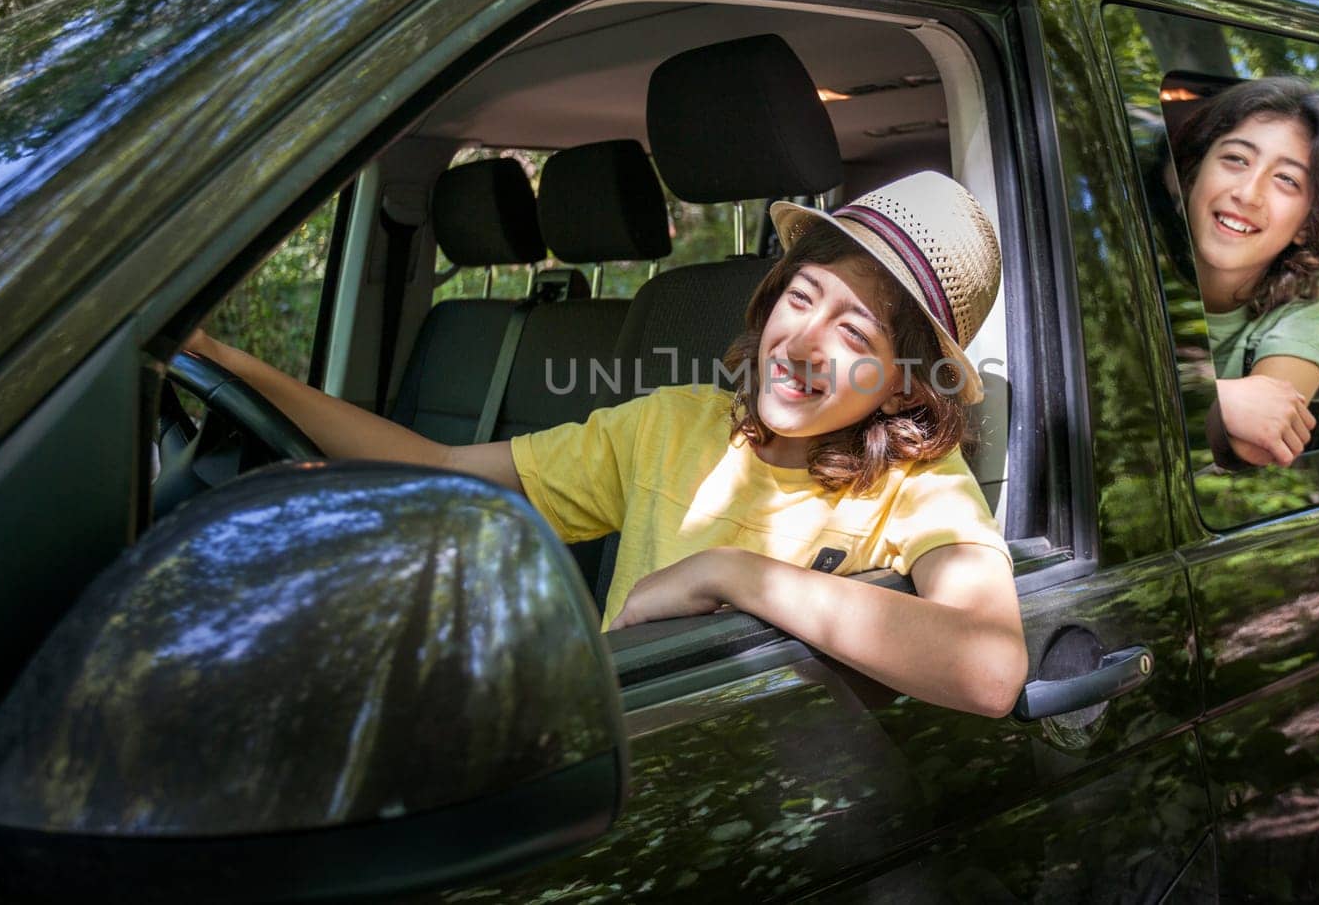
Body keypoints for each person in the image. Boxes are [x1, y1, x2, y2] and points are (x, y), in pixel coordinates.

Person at [185, 171, 1028, 718]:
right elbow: (440, 470)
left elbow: (989, 668)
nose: (805, 341)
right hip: (608, 759)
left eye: (856, 331)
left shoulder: (921, 483)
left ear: (904, 383)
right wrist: (225, 364)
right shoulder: (672, 424)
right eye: (801, 296)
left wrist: (731, 572)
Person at [1171, 76, 1319, 468]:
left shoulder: (1315, 287)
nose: (1248, 193)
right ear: (1194, 173)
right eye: (1236, 159)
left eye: (1287, 180)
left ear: (1308, 223)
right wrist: (1228, 397)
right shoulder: (1119, 240)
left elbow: (1261, 439)